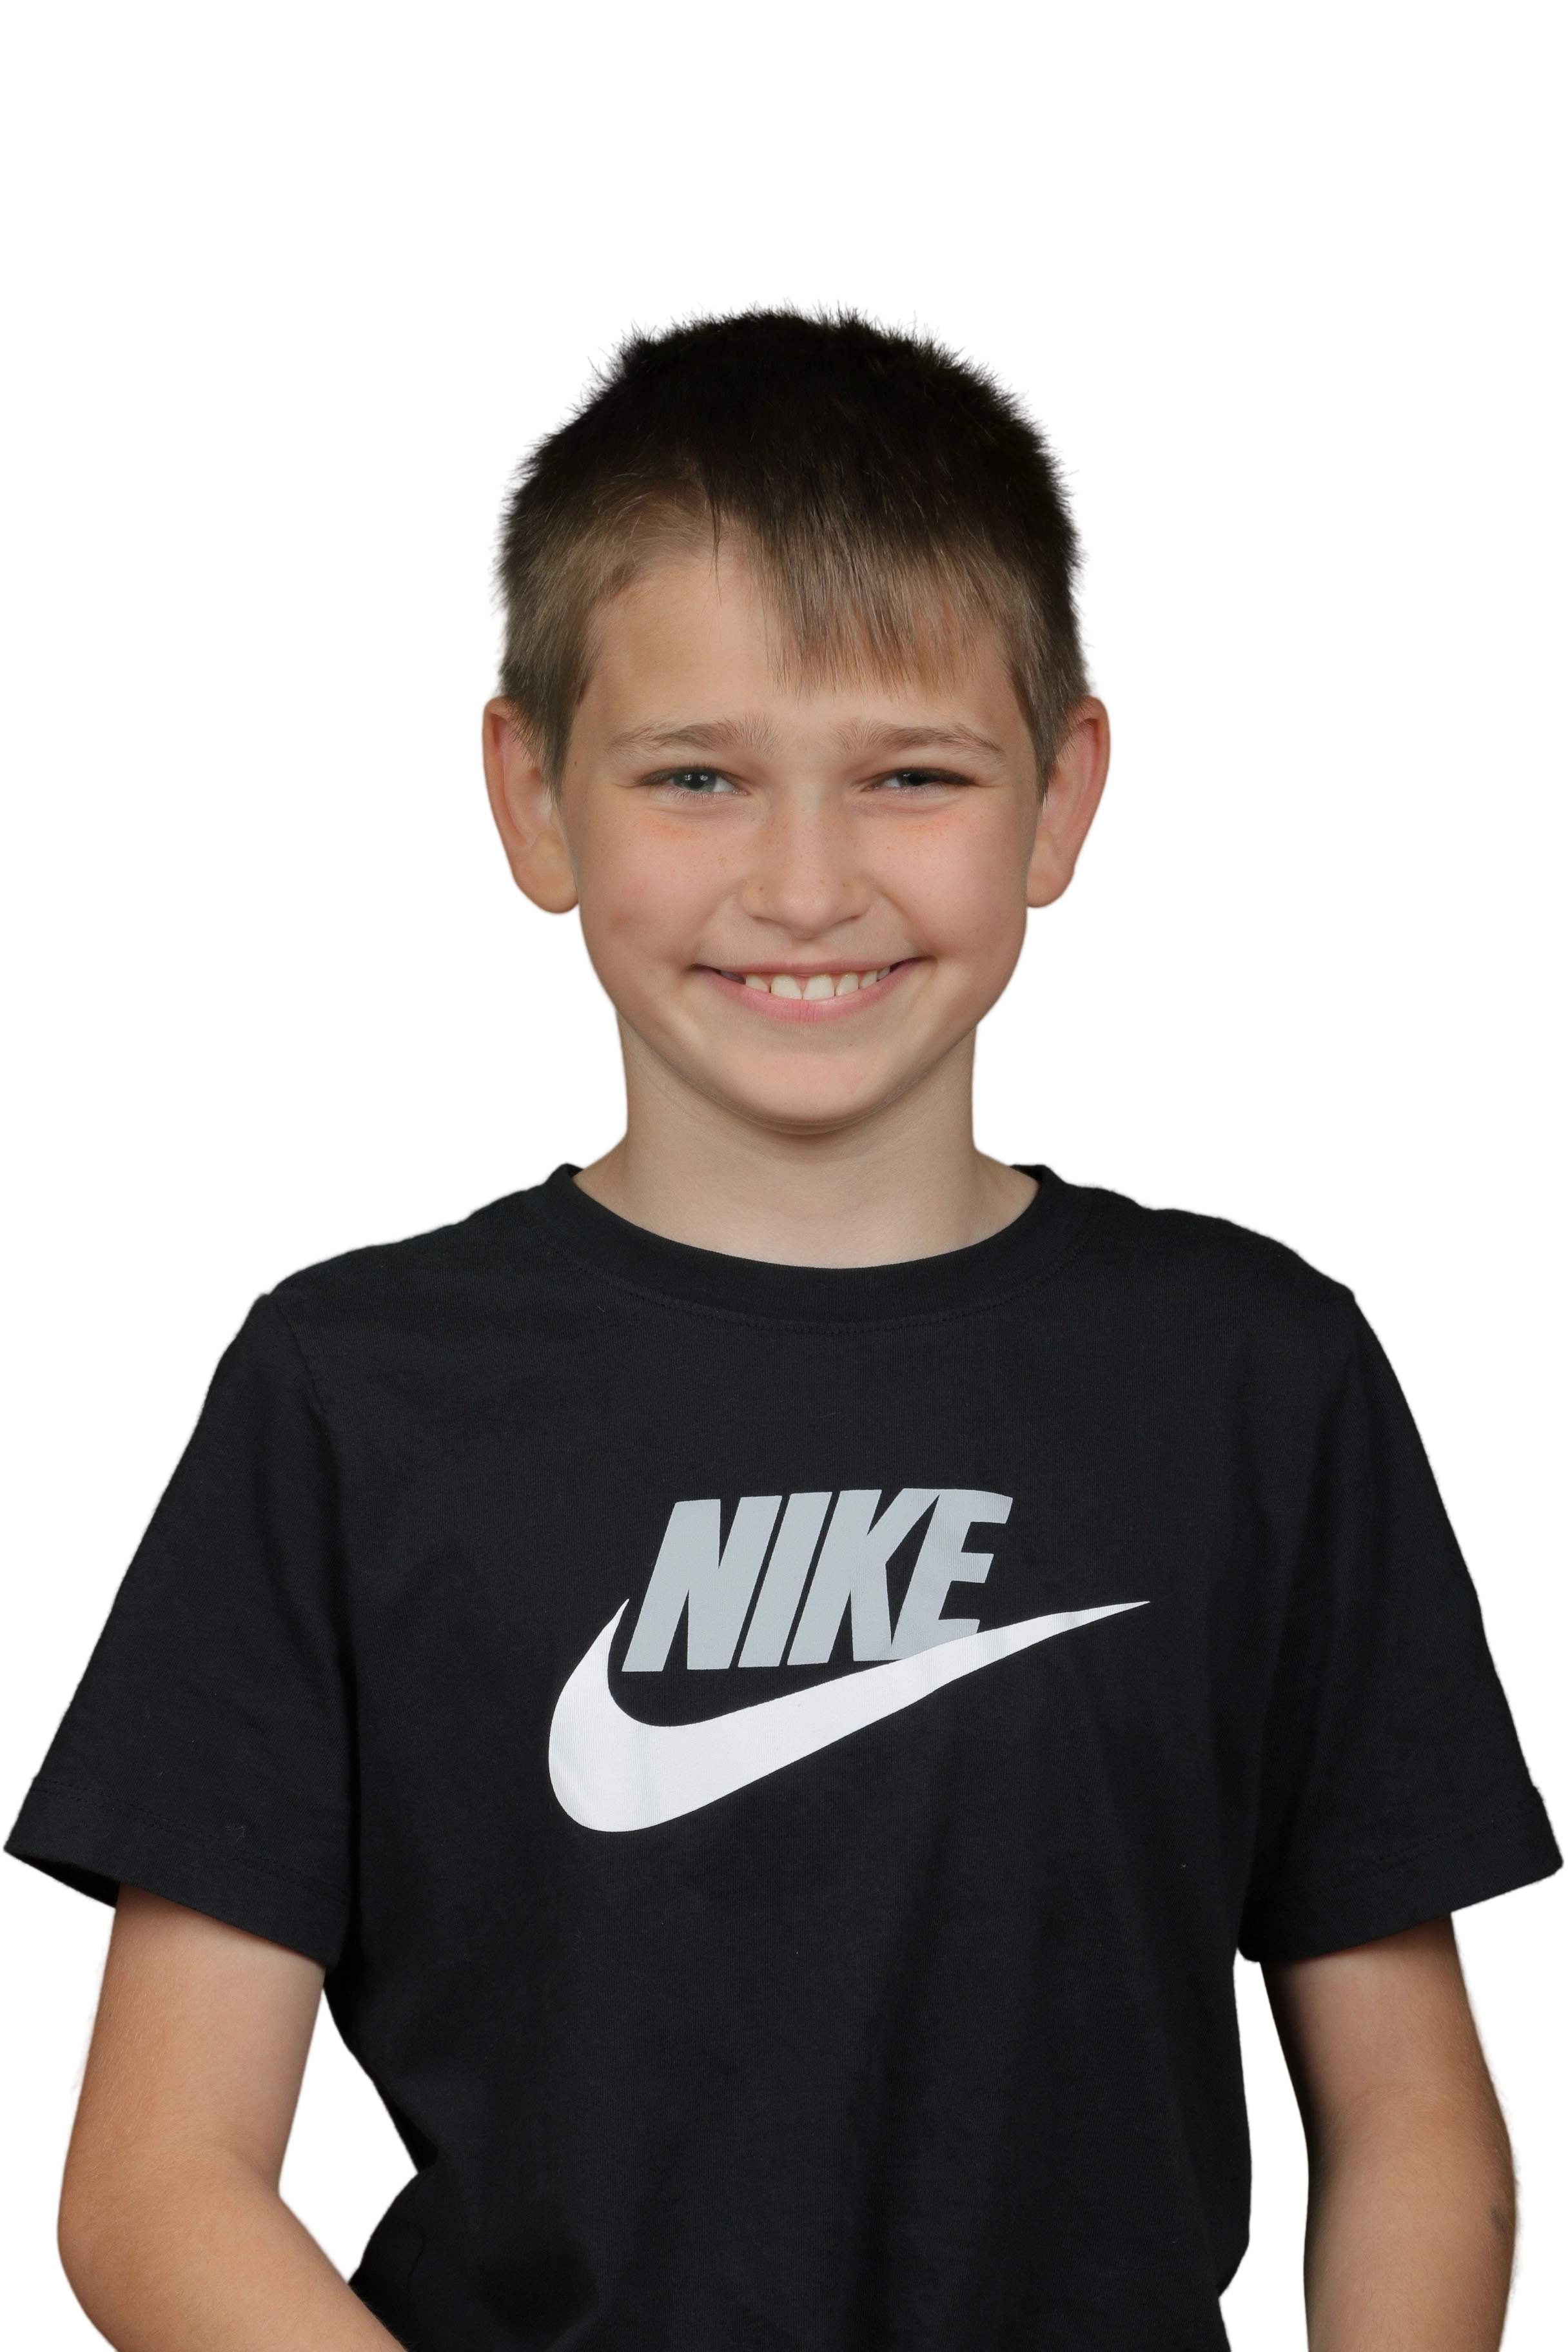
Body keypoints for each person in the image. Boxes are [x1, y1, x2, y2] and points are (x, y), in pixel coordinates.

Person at [5, 296, 1558, 2352]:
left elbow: (1421, 2133)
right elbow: (160, 2181)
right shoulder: (347, 1397)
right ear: (533, 797)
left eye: (911, 772)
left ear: (1063, 795)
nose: (807, 883)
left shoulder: (1262, 1371)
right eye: (700, 776)